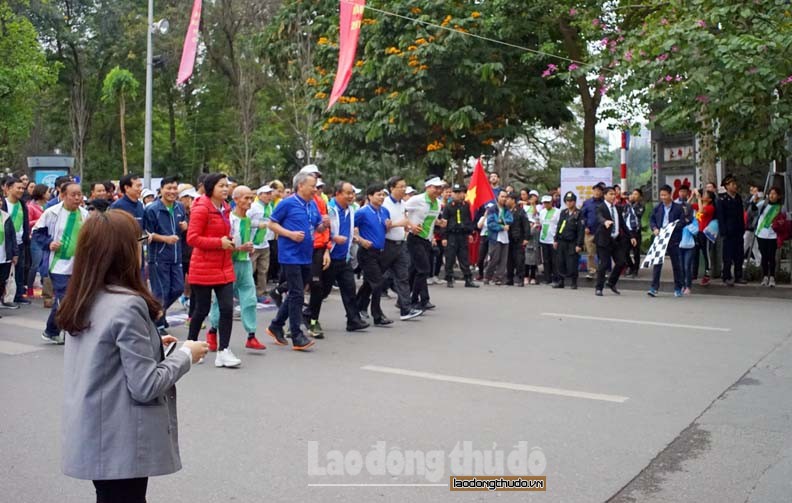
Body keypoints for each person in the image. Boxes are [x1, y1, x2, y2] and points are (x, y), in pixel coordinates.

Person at [57, 209, 208, 503]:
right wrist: (186, 355)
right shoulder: (127, 304)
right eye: (138, 241)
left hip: (95, 432)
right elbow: (146, 385)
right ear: (123, 251)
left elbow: (104, 356)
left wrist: (154, 345)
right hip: (120, 438)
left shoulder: (83, 297)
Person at [265, 171, 326, 351]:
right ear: (300, 186)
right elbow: (272, 223)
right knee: (298, 293)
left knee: (295, 292)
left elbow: (317, 227)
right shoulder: (288, 203)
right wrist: (290, 234)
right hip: (290, 255)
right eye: (312, 186)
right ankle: (296, 334)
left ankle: (276, 325)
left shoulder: (312, 204)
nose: (315, 189)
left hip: (306, 254)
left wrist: (324, 224)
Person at [185, 173, 240, 367]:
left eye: (227, 186)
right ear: (210, 188)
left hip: (224, 266)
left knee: (227, 308)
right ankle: (189, 347)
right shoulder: (201, 208)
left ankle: (223, 351)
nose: (225, 189)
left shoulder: (225, 208)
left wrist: (232, 242)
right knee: (202, 309)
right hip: (203, 267)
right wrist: (219, 243)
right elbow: (192, 238)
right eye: (221, 186)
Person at [206, 186, 268, 351]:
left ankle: (251, 335)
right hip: (228, 264)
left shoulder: (247, 220)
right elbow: (224, 243)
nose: (249, 202)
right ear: (236, 199)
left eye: (251, 198)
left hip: (245, 263)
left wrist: (249, 248)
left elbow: (246, 241)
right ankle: (212, 331)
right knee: (222, 301)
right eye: (246, 198)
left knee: (250, 299)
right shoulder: (229, 219)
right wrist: (239, 248)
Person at [32, 182, 89, 343]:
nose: (78, 198)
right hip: (57, 264)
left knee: (72, 298)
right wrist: (49, 243)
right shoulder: (52, 213)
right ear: (63, 195)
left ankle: (52, 330)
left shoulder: (85, 215)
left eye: (79, 194)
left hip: (77, 264)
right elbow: (37, 233)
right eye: (73, 195)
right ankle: (69, 331)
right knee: (64, 298)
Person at [144, 175, 187, 336]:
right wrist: (165, 239)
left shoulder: (180, 207)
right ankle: (157, 323)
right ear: (161, 190)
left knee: (177, 288)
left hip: (176, 256)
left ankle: (156, 315)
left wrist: (185, 226)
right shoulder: (152, 209)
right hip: (158, 257)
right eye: (168, 188)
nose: (172, 191)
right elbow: (145, 234)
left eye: (175, 188)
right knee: (160, 292)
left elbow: (183, 226)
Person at [326, 181, 370, 332]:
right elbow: (320, 231)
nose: (351, 196)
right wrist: (333, 238)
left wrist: (358, 240)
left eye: (353, 193)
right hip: (329, 256)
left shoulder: (352, 209)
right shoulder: (328, 209)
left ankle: (353, 320)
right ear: (338, 194)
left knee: (349, 289)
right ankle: (308, 315)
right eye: (348, 193)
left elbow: (352, 230)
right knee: (322, 291)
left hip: (343, 257)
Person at [379, 176, 423, 320]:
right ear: (392, 188)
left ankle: (406, 309)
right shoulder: (384, 204)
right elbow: (383, 226)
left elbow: (404, 221)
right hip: (386, 245)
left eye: (405, 186)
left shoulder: (402, 204)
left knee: (403, 277)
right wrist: (400, 223)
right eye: (401, 186)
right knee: (376, 279)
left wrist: (411, 228)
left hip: (400, 244)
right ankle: (361, 306)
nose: (404, 189)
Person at [355, 183, 394, 326]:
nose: (381, 197)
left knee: (369, 283)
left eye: (383, 194)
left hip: (380, 252)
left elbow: (384, 230)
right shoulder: (362, 212)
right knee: (378, 283)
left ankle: (357, 307)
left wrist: (388, 227)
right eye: (378, 194)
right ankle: (377, 315)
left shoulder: (385, 211)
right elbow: (351, 228)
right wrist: (360, 240)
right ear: (370, 196)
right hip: (366, 252)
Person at [405, 176, 447, 309]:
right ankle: (412, 301)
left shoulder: (438, 203)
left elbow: (432, 220)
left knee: (414, 271)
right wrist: (410, 225)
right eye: (435, 187)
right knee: (423, 270)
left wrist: (439, 223)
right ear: (427, 187)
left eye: (440, 188)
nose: (438, 190)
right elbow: (401, 211)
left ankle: (404, 299)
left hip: (427, 240)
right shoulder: (417, 200)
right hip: (414, 238)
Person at [647, 184, 690, 297]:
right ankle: (654, 288)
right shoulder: (658, 208)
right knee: (657, 263)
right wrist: (655, 228)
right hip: (660, 238)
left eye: (665, 195)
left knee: (676, 264)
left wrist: (672, 228)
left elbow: (683, 222)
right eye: (661, 195)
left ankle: (678, 287)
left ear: (670, 195)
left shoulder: (678, 208)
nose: (663, 197)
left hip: (673, 238)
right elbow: (652, 220)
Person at [594, 186, 631, 296]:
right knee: (604, 264)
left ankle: (611, 282)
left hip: (615, 240)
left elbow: (622, 224)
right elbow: (599, 217)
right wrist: (605, 221)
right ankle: (599, 288)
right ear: (605, 195)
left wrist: (631, 236)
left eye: (614, 194)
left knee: (621, 262)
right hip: (603, 240)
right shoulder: (600, 207)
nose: (613, 196)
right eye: (610, 194)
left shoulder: (617, 208)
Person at [1, 177, 31, 305]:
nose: (21, 190)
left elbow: (25, 222)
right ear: (8, 188)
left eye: (23, 188)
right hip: (6, 243)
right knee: (5, 274)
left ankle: (18, 295)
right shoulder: (4, 203)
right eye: (18, 188)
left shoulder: (22, 205)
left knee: (19, 269)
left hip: (20, 243)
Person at [441, 184, 478, 288]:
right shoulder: (448, 206)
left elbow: (468, 220)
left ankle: (468, 279)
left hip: (462, 234)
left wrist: (470, 233)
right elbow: (444, 222)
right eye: (455, 192)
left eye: (460, 192)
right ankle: (449, 278)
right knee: (450, 258)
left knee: (464, 258)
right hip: (452, 235)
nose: (457, 195)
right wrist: (444, 237)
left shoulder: (465, 205)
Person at [717, 174, 746, 286]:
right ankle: (726, 276)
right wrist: (723, 231)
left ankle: (738, 276)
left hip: (738, 230)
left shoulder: (738, 197)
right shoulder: (722, 199)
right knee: (728, 255)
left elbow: (740, 214)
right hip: (728, 231)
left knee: (739, 254)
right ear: (726, 186)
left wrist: (742, 227)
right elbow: (721, 216)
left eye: (735, 184)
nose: (735, 186)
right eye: (732, 184)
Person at [553, 191, 585, 289]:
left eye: (571, 201)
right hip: (562, 241)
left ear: (574, 202)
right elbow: (559, 226)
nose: (569, 203)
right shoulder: (564, 212)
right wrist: (556, 239)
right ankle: (560, 281)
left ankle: (573, 282)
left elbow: (581, 230)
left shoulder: (579, 213)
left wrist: (579, 244)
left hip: (572, 242)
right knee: (560, 262)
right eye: (567, 201)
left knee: (572, 263)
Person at [247, 185, 274, 302]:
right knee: (250, 270)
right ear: (259, 195)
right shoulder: (253, 207)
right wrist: (257, 224)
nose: (269, 196)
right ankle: (246, 293)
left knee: (263, 270)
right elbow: (245, 221)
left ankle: (261, 292)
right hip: (254, 243)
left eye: (270, 193)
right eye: (266, 194)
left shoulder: (270, 207)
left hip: (265, 243)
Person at [753, 187, 784, 287]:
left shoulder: (781, 207)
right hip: (761, 234)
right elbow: (753, 209)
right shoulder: (764, 204)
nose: (772, 195)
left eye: (774, 194)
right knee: (764, 256)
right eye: (770, 193)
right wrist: (754, 200)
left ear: (779, 196)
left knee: (771, 257)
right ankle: (765, 276)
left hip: (773, 235)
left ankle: (772, 277)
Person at [484, 190, 512, 285]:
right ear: (498, 197)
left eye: (505, 197)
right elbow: (490, 223)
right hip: (495, 237)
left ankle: (499, 278)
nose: (504, 199)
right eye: (502, 196)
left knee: (503, 259)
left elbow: (510, 219)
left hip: (505, 238)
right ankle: (487, 276)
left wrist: (503, 222)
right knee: (494, 258)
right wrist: (501, 226)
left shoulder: (506, 209)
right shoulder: (492, 209)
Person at [26, 184, 49, 298]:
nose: (49, 194)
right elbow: (28, 222)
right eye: (47, 192)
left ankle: (46, 288)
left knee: (45, 263)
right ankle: (29, 288)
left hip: (46, 237)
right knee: (35, 264)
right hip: (35, 238)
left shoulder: (47, 206)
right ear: (42, 193)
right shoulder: (31, 206)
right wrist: (40, 220)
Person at [691, 188, 717, 286]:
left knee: (706, 254)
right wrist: (691, 196)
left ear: (709, 199)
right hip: (698, 232)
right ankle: (694, 273)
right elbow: (688, 205)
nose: (702, 195)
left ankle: (707, 274)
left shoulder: (710, 207)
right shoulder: (699, 205)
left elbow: (701, 211)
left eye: (705, 195)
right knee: (695, 253)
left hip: (705, 233)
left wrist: (698, 198)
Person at [581, 182, 606, 279]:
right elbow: (582, 216)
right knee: (590, 253)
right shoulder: (587, 202)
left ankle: (602, 271)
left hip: (601, 232)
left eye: (599, 190)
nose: (597, 192)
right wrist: (585, 227)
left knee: (602, 252)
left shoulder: (604, 203)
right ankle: (591, 270)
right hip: (589, 232)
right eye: (595, 190)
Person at [505, 192, 529, 287]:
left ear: (513, 200)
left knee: (519, 260)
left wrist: (526, 238)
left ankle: (520, 278)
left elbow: (526, 225)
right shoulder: (506, 211)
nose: (506, 200)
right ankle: (509, 278)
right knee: (509, 260)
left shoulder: (520, 211)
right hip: (508, 238)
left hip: (518, 238)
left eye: (508, 199)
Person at [0, 203, 19, 317]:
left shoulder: (6, 217)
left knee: (2, 282)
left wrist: (15, 254)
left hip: (4, 256)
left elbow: (12, 236)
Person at [538, 195, 560, 285]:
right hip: (544, 238)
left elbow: (559, 225)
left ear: (552, 202)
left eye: (548, 202)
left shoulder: (557, 212)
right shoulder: (542, 212)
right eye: (544, 203)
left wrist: (557, 238)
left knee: (554, 260)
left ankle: (556, 278)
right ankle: (547, 278)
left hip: (553, 239)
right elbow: (541, 223)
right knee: (546, 260)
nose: (546, 204)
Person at [624, 189, 645, 277]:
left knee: (636, 252)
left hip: (635, 231)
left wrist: (630, 203)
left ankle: (635, 270)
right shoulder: (627, 205)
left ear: (639, 197)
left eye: (636, 194)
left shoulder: (640, 206)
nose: (633, 195)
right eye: (632, 193)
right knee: (624, 251)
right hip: (626, 231)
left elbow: (638, 214)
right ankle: (631, 266)